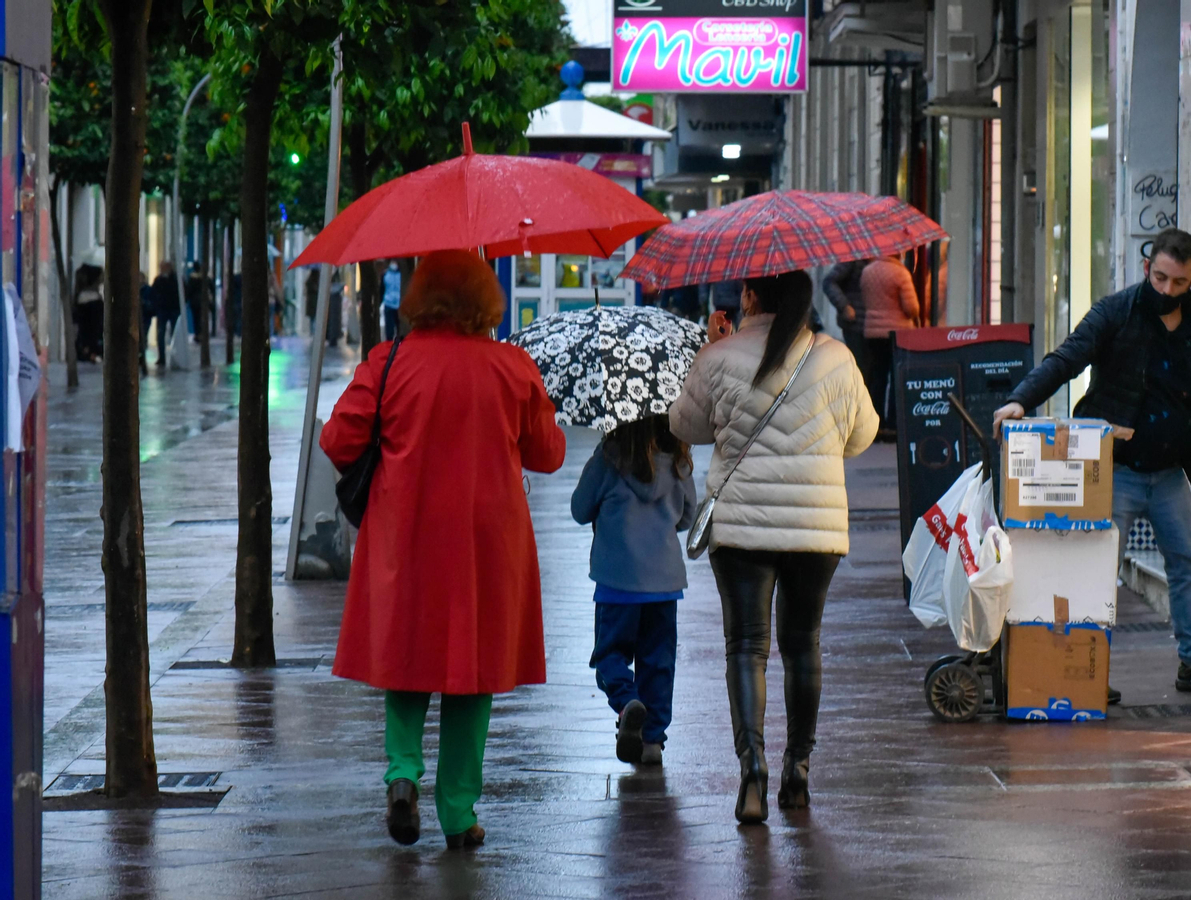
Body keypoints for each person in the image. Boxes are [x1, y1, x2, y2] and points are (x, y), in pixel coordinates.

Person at [320, 249, 566, 850]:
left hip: (406, 532)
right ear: (485, 302)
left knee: (407, 658)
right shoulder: (512, 367)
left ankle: (402, 774)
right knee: (472, 674)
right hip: (487, 542)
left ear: (421, 297)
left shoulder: (389, 361)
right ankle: (458, 812)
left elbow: (337, 438)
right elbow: (549, 454)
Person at [992, 227, 1191, 695]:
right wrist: (1020, 400)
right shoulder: (1117, 311)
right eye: (1159, 278)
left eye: (1178, 282)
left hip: (1170, 472)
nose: (1166, 290)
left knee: (1187, 561)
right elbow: (1066, 358)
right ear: (1147, 266)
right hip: (1112, 470)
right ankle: (1085, 672)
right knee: (1095, 570)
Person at [670, 270, 878, 825]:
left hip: (741, 528)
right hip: (816, 527)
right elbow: (862, 435)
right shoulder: (835, 357)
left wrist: (709, 352)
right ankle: (799, 770)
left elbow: (684, 426)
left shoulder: (722, 356)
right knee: (803, 643)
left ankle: (752, 768)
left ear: (750, 296)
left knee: (746, 646)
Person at [570, 415, 696, 768]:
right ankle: (653, 741)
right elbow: (687, 518)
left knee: (609, 656)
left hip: (617, 582)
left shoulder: (609, 456)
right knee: (658, 662)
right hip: (665, 584)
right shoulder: (679, 459)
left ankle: (627, 703)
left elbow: (580, 509)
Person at [859, 254, 921, 430]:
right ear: (898, 254)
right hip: (897, 333)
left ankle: (875, 422)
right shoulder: (900, 273)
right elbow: (912, 308)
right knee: (896, 377)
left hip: (872, 331)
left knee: (877, 377)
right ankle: (894, 422)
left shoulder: (867, 271)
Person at [821, 259, 869, 368]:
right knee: (860, 366)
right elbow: (829, 282)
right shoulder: (854, 260)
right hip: (855, 323)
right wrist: (844, 306)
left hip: (874, 325)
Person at [149, 262, 180, 368]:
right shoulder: (159, 280)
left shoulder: (175, 279)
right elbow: (153, 293)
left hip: (173, 309)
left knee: (174, 333)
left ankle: (174, 356)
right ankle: (162, 358)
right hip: (163, 309)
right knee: (161, 333)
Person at [72, 264, 104, 364]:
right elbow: (94, 326)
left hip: (85, 343)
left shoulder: (81, 297)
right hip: (91, 344)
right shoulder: (92, 300)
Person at [382, 261, 403, 341]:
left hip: (395, 304)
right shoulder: (386, 274)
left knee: (396, 329)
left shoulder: (387, 274)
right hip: (391, 304)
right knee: (391, 330)